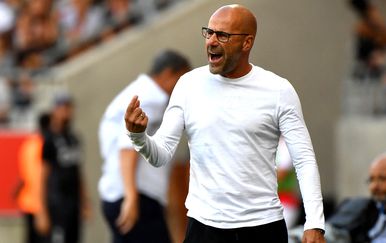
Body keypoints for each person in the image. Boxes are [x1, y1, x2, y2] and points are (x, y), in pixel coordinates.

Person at [124, 4, 325, 243]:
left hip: (262, 226)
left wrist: (314, 222)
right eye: (209, 32)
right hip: (203, 227)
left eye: (223, 35)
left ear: (247, 43)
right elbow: (160, 155)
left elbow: (304, 159)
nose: (211, 41)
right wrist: (138, 136)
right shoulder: (188, 85)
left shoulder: (279, 90)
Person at [98, 49, 191, 243]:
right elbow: (128, 146)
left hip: (119, 193)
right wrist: (131, 197)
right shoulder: (152, 97)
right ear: (168, 74)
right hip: (137, 197)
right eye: (181, 79)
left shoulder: (139, 91)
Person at [39, 93, 90, 243]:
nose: (66, 111)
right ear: (54, 110)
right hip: (56, 204)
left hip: (73, 204)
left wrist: (85, 202)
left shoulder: (74, 139)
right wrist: (42, 211)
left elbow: (78, 172)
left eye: (69, 107)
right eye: (63, 107)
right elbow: (42, 177)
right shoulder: (49, 140)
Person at [15, 113, 50, 243]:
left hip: (27, 201)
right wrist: (42, 208)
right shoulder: (44, 146)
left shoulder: (28, 144)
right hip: (39, 203)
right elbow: (38, 177)